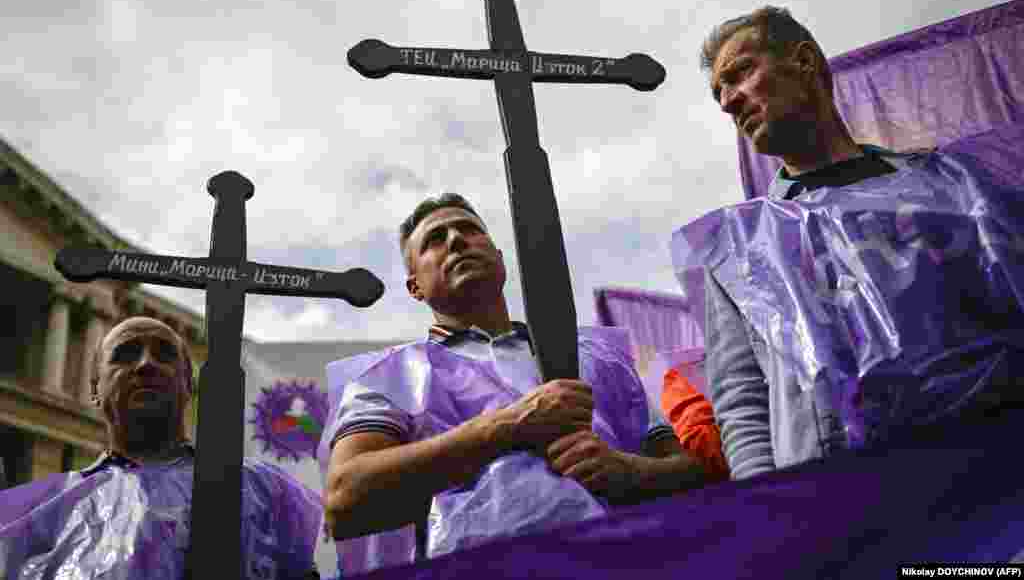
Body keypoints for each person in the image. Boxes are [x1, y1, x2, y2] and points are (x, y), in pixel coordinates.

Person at [693, 6, 1024, 479]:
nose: (728, 101)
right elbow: (744, 404)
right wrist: (772, 511)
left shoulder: (953, 186)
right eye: (719, 93)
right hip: (844, 509)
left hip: (988, 483)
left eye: (740, 73)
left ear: (804, 62)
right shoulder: (739, 250)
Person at [320, 194, 709, 575]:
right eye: (435, 240)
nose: (456, 240)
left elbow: (694, 475)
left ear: (501, 259)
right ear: (414, 287)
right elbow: (345, 499)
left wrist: (630, 472)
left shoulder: (600, 358)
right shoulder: (391, 375)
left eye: (469, 229)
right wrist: (508, 426)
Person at [0, 316, 323, 579]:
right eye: (125, 354)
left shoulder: (264, 489)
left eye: (164, 355)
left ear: (188, 386)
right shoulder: (43, 513)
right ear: (95, 390)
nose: (145, 365)